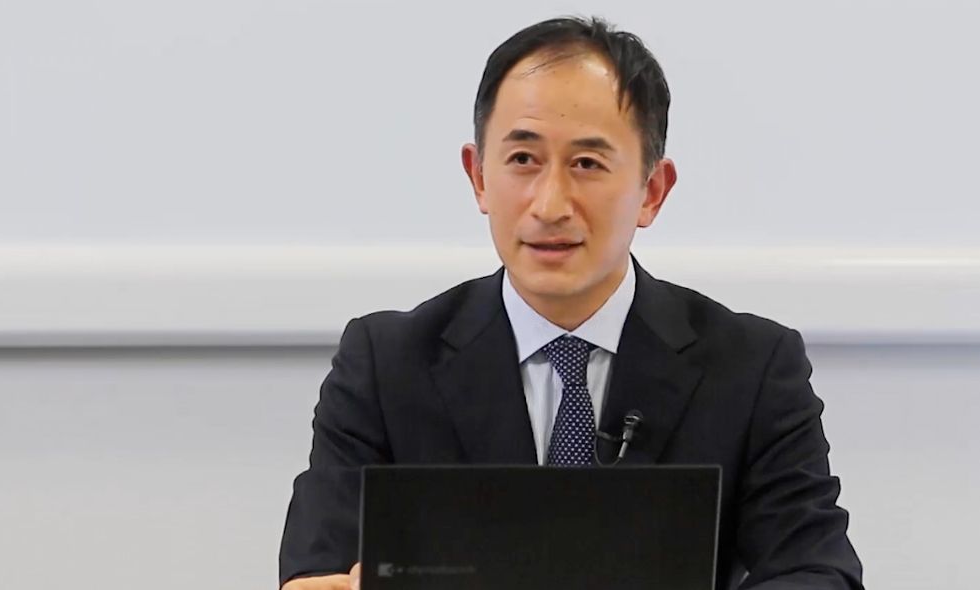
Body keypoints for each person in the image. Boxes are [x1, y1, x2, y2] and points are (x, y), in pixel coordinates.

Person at [278, 16, 864, 590]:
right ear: (478, 176)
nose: (550, 205)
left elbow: (816, 569)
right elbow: (320, 563)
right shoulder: (385, 365)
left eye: (587, 164)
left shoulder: (752, 367)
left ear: (652, 191)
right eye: (523, 160)